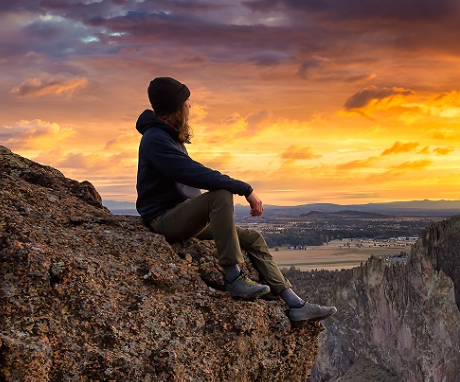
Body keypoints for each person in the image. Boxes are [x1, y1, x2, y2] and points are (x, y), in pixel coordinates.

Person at [135, 76, 336, 321]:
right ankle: (233, 277)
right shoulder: (155, 139)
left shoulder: (168, 137)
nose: (190, 107)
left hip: (183, 216)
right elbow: (192, 173)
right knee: (220, 194)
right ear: (175, 107)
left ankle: (294, 303)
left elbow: (190, 170)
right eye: (187, 102)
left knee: (253, 238)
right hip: (164, 220)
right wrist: (244, 188)